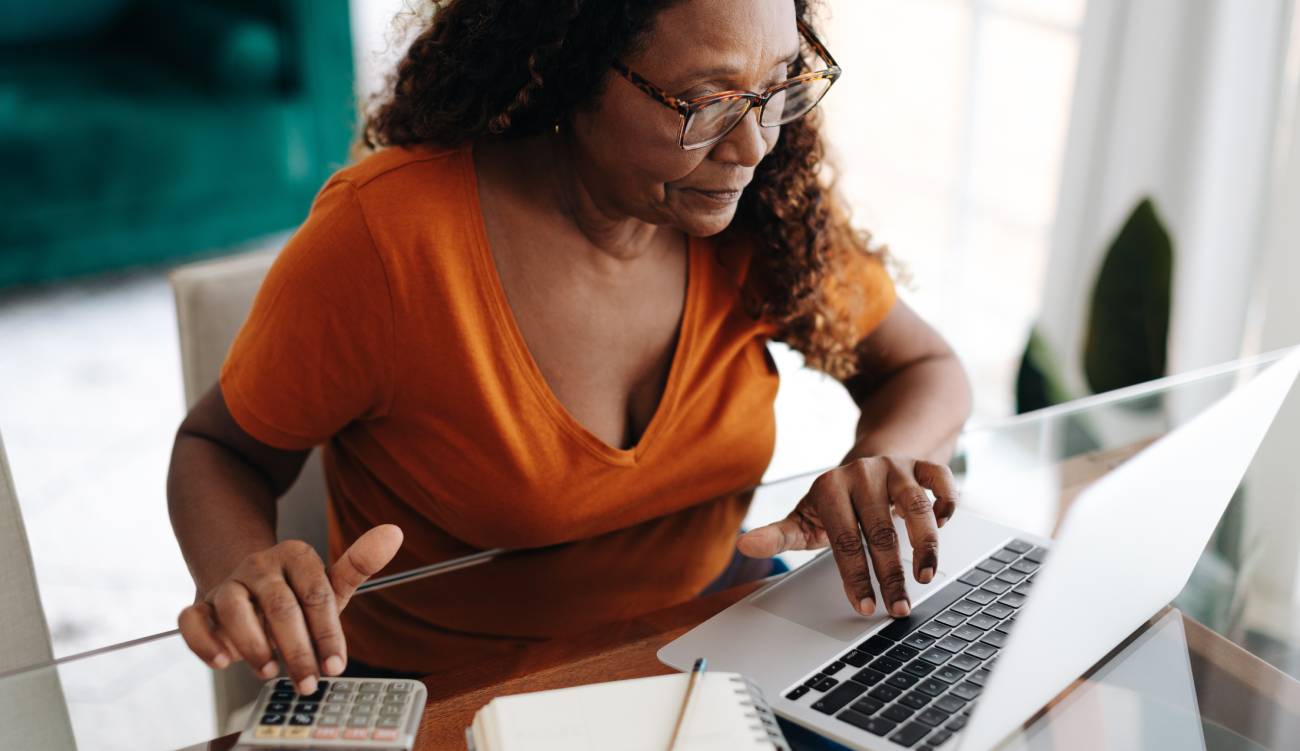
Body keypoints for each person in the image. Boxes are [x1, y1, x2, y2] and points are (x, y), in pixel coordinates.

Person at [168, 0, 972, 696]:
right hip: (459, 698)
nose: (753, 146)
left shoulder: (763, 215)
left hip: (711, 644)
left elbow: (924, 367)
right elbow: (219, 448)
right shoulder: (388, 240)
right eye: (707, 100)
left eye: (779, 86)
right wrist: (244, 567)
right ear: (567, 66)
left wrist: (885, 462)